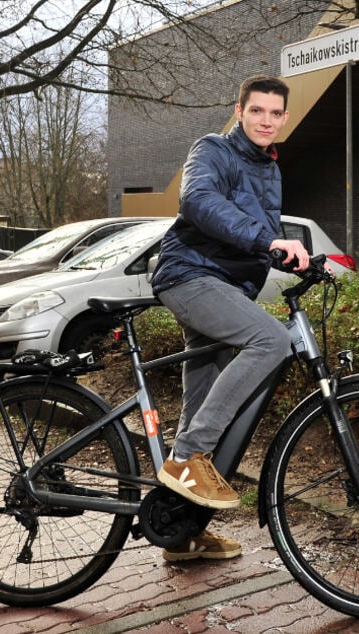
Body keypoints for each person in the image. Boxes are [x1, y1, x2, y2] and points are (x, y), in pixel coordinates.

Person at [151, 74, 310, 561]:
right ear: (239, 111)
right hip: (190, 276)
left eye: (275, 113)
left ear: (284, 118)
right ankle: (184, 459)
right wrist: (267, 241)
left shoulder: (270, 169)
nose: (266, 120)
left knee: (200, 404)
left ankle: (181, 533)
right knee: (271, 340)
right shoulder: (213, 150)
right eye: (256, 110)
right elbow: (198, 202)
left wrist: (294, 256)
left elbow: (258, 235)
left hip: (225, 285)